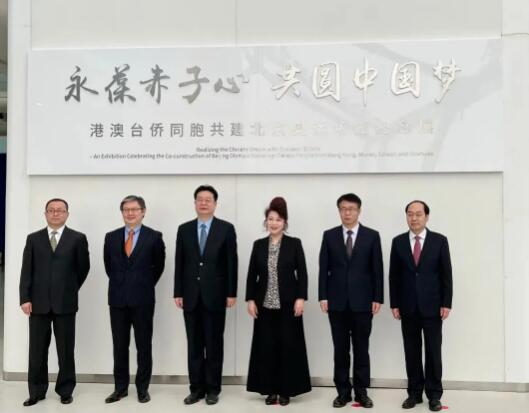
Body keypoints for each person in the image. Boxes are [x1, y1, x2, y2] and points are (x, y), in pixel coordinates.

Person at [19, 198, 90, 406]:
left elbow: (83, 268)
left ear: (67, 214)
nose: (55, 213)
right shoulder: (33, 239)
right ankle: (36, 391)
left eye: (60, 210)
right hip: (37, 304)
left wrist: (69, 288)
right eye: (51, 210)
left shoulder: (77, 238)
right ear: (45, 214)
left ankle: (65, 390)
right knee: (37, 351)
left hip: (65, 303)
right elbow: (26, 270)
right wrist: (25, 298)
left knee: (65, 350)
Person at [174, 185, 238, 405]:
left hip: (216, 296)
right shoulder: (184, 229)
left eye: (208, 200)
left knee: (213, 344)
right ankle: (196, 389)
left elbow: (231, 262)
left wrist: (231, 292)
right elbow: (179, 262)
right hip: (190, 295)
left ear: (215, 204)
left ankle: (213, 389)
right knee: (193, 345)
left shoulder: (226, 229)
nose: (203, 203)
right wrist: (178, 291)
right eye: (199, 199)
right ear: (195, 203)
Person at [319, 193, 383, 408]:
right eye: (343, 209)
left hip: (363, 302)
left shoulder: (372, 236)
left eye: (351, 209)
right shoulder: (329, 235)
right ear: (339, 211)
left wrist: (378, 297)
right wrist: (323, 295)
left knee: (361, 349)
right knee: (340, 350)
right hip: (336, 302)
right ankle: (343, 392)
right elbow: (323, 268)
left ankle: (362, 392)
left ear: (359, 211)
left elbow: (377, 269)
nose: (347, 213)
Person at [245, 197, 311, 405]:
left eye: (278, 220)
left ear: (285, 223)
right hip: (264, 305)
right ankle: (270, 390)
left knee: (288, 347)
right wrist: (250, 300)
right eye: (271, 219)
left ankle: (286, 390)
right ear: (266, 221)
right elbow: (251, 275)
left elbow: (302, 273)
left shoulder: (294, 244)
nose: (274, 223)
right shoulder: (258, 245)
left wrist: (301, 298)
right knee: (266, 348)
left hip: (288, 304)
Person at [389, 200, 452, 412]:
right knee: (411, 351)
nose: (414, 218)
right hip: (407, 306)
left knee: (433, 351)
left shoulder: (439, 241)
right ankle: (414, 393)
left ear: (427, 216)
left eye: (418, 214)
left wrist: (446, 302)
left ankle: (434, 395)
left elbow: (446, 274)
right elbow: (394, 276)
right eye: (410, 214)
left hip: (433, 306)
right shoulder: (398, 242)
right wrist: (394, 303)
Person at [103, 195, 166, 404]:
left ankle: (142, 388)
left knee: (143, 346)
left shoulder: (154, 237)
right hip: (117, 300)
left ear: (143, 212)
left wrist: (142, 284)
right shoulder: (111, 237)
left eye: (134, 209)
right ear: (122, 212)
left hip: (143, 300)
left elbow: (158, 267)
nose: (130, 213)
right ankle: (120, 388)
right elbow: (109, 267)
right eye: (126, 210)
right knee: (119, 346)